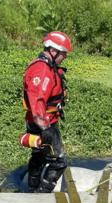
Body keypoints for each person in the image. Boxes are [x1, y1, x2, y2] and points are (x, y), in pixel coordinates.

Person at [21, 31, 71, 192]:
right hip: (43, 123)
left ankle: (32, 187)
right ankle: (42, 194)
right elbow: (37, 105)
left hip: (44, 121)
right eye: (63, 54)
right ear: (53, 51)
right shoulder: (42, 71)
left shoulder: (48, 66)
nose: (65, 57)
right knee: (59, 162)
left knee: (39, 155)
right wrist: (47, 130)